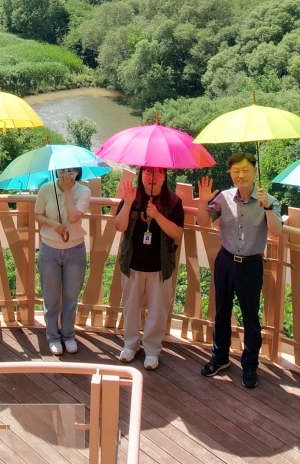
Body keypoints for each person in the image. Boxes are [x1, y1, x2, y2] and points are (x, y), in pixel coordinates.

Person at [199, 152, 278, 389]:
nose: (240, 175)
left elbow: (277, 232)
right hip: (225, 260)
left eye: (245, 170)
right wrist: (203, 201)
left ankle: (250, 364)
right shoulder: (223, 198)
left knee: (250, 316)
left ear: (255, 171)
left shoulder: (268, 200)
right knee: (222, 311)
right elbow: (203, 221)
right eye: (235, 171)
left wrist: (268, 207)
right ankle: (220, 357)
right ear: (230, 173)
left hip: (251, 264)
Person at [113, 167, 185, 372]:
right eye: (148, 172)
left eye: (158, 173)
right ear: (141, 175)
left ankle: (152, 350)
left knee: (157, 311)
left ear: (164, 176)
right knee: (130, 308)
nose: (152, 177)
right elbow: (119, 226)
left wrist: (158, 215)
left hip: (160, 266)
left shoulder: (173, 201)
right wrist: (127, 204)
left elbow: (177, 233)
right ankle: (130, 345)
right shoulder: (132, 196)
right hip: (132, 264)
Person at [34, 165, 94, 355]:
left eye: (71, 171)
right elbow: (37, 214)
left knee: (71, 297)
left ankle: (69, 335)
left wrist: (68, 192)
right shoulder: (46, 189)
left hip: (75, 250)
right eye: (62, 170)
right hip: (49, 249)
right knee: (51, 297)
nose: (66, 174)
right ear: (55, 171)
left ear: (78, 172)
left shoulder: (83, 191)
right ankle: (52, 336)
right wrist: (53, 224)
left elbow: (74, 218)